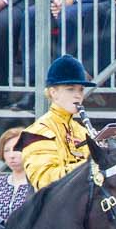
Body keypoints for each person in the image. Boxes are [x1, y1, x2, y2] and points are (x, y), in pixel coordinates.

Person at [19, 55, 96, 188]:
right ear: (54, 92)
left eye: (81, 89)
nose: (78, 95)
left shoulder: (83, 131)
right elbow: (45, 181)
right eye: (70, 89)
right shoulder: (38, 132)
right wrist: (92, 166)